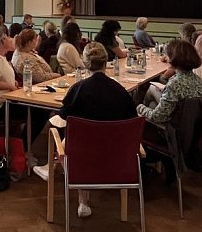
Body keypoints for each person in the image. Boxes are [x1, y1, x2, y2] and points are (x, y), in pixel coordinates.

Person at [34, 42, 137, 216]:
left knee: (72, 140)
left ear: (85, 63)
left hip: (82, 159)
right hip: (118, 158)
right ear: (106, 62)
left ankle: (82, 200)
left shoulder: (78, 89)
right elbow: (132, 119)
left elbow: (64, 116)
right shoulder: (122, 92)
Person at [0, 26, 49, 145]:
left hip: (5, 101)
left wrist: (11, 83)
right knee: (41, 112)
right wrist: (10, 85)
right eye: (7, 37)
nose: (10, 39)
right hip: (0, 106)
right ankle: (22, 147)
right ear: (2, 40)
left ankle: (20, 144)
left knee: (40, 110)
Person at [136, 40, 202, 125]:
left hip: (176, 129)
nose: (166, 57)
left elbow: (158, 117)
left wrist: (140, 107)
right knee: (152, 95)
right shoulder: (198, 80)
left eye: (167, 55)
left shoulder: (174, 84)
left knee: (144, 108)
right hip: (195, 125)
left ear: (173, 58)